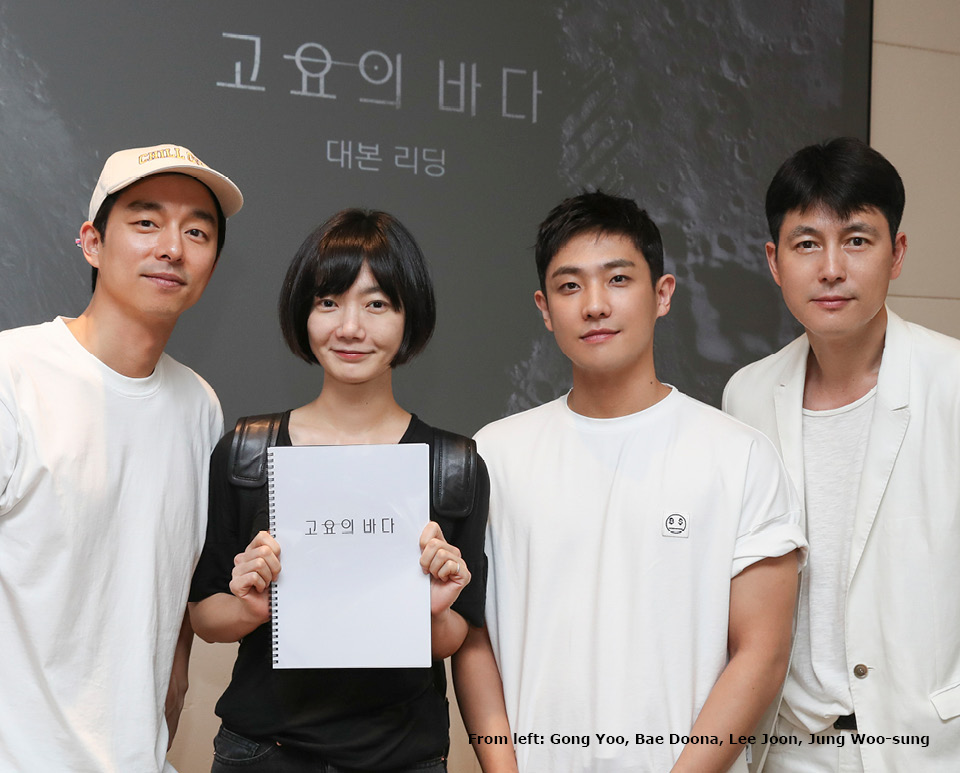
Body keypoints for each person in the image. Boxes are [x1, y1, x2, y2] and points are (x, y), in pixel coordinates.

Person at [453, 191, 807, 773]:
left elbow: (761, 654)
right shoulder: (495, 453)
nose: (595, 305)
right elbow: (473, 638)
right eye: (570, 286)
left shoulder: (738, 455)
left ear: (662, 294)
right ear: (545, 308)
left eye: (618, 279)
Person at [188, 208, 489, 772]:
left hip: (404, 758)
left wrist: (427, 612)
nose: (350, 328)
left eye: (377, 304)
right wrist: (252, 608)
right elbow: (205, 616)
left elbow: (455, 636)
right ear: (303, 313)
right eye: (328, 302)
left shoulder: (453, 464)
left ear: (409, 316)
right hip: (263, 755)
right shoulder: (248, 452)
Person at [0, 143, 243, 771]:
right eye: (146, 222)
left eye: (197, 231)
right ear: (92, 243)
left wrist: (172, 688)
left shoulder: (199, 406)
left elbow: (174, 578)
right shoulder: (14, 373)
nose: (173, 248)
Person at [723, 137, 960, 772]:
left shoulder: (952, 383)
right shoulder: (747, 394)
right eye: (806, 244)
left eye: (857, 240)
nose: (831, 268)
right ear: (774, 262)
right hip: (786, 751)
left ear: (897, 253)